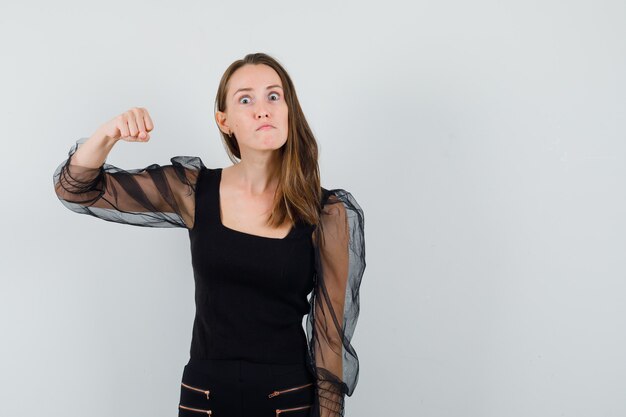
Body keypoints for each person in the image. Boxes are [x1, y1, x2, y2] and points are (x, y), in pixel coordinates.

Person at [52, 52, 366, 417]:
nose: (262, 109)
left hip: (289, 398)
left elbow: (329, 339)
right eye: (245, 99)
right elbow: (75, 190)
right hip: (205, 397)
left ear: (289, 110)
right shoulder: (191, 190)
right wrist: (107, 134)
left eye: (274, 96)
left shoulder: (326, 212)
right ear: (225, 120)